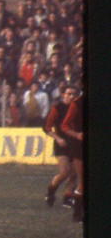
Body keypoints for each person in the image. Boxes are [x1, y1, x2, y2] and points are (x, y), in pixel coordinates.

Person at [42, 84, 78, 209]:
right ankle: (50, 193)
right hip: (61, 143)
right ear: (63, 94)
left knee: (74, 173)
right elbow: (46, 127)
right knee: (65, 172)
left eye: (74, 94)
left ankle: (67, 198)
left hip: (74, 143)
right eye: (69, 93)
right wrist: (57, 138)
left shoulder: (77, 108)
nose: (71, 96)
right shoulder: (57, 108)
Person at [60, 86, 84, 223]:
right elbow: (64, 125)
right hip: (79, 146)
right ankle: (77, 214)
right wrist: (77, 135)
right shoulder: (76, 104)